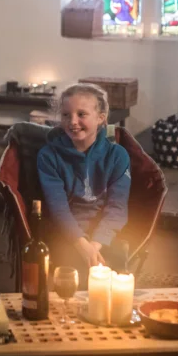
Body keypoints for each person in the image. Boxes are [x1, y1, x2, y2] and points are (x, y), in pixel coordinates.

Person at [37, 83, 131, 273]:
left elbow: (117, 207)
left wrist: (94, 246)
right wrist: (81, 244)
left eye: (81, 114)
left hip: (104, 234)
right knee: (69, 275)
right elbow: (58, 208)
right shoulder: (48, 156)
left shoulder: (117, 155)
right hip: (65, 231)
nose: (72, 121)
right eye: (66, 115)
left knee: (113, 274)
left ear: (100, 119)